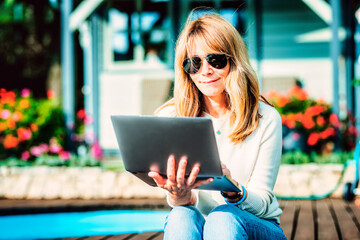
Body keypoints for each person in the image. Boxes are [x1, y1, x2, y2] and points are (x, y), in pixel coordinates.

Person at [148, 11, 286, 240]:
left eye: (216, 60)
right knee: (180, 215)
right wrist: (179, 194)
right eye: (194, 63)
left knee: (222, 216)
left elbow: (262, 203)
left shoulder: (265, 117)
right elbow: (184, 203)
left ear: (234, 60)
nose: (205, 71)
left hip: (256, 225)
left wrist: (235, 191)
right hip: (200, 225)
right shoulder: (172, 116)